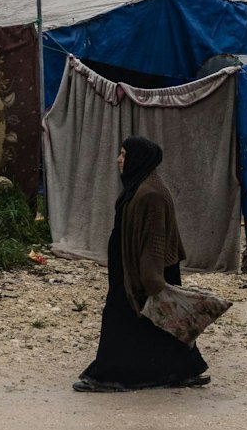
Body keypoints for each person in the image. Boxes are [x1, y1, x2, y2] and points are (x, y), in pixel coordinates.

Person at [74, 136, 210, 392]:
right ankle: (181, 369)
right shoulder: (141, 186)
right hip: (135, 267)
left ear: (138, 159)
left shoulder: (152, 194)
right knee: (156, 323)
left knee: (127, 319)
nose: (119, 159)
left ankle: (109, 376)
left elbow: (155, 239)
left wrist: (151, 280)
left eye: (124, 154)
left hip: (144, 271)